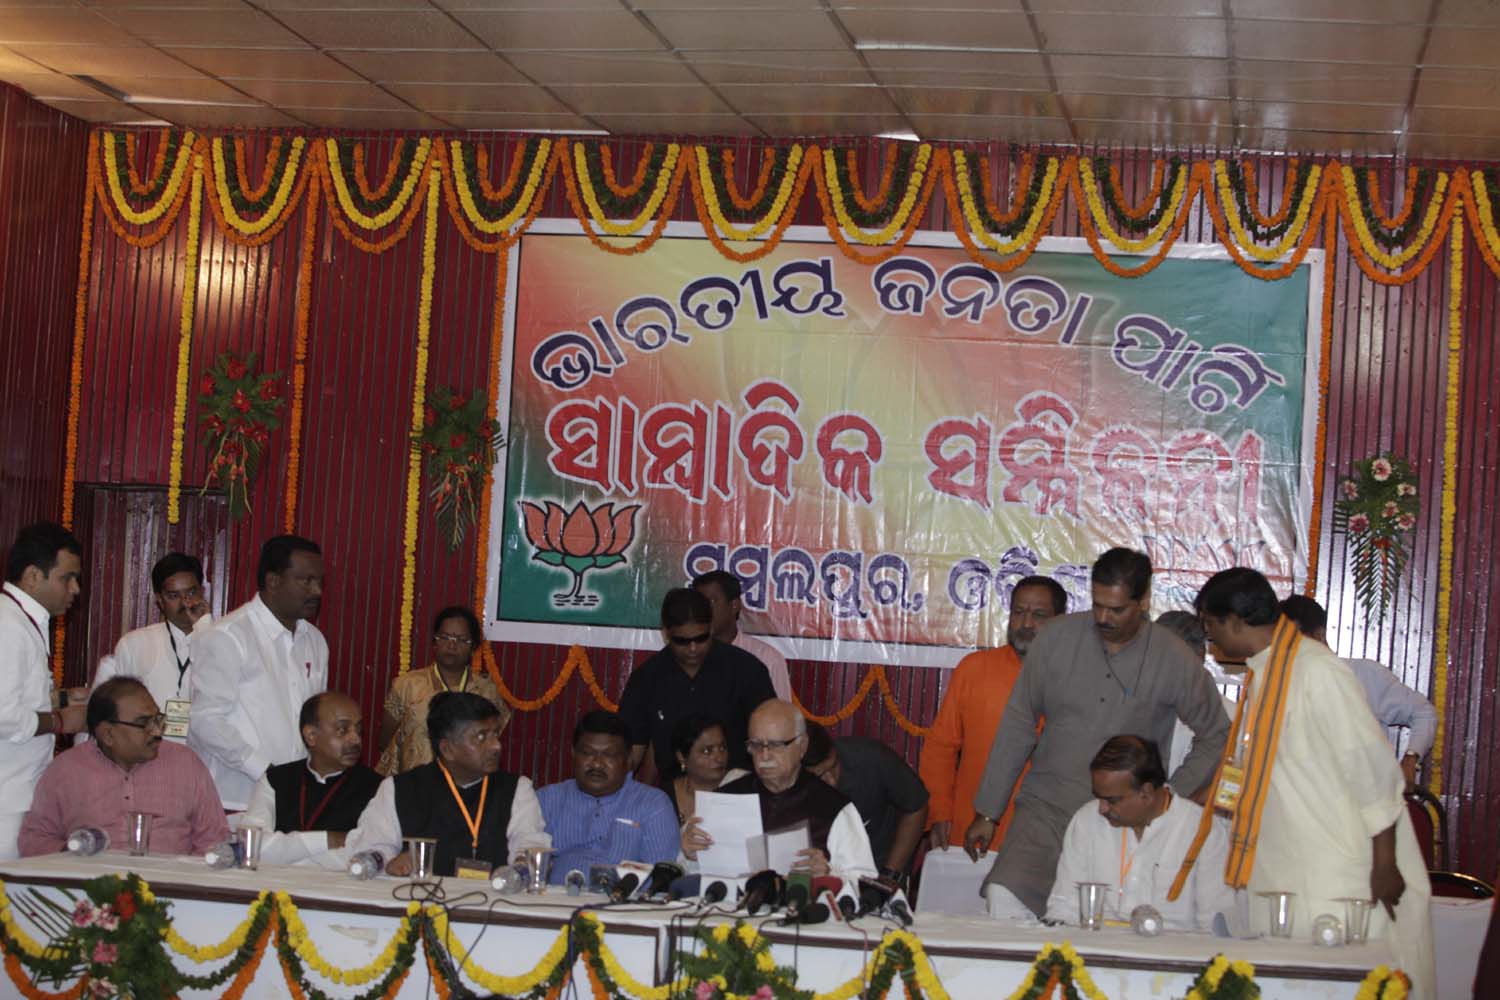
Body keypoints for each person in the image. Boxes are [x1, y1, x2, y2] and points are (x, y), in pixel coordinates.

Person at [1193, 568, 1433, 998]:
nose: (1211, 643)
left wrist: (1384, 864)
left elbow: (1374, 772)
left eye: (1210, 628)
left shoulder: (1317, 671)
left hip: (1341, 874)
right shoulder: (1263, 674)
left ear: (1233, 620)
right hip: (1286, 868)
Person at [964, 548, 1230, 919]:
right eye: (1098, 604)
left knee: (1100, 923)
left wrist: (1164, 800)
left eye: (1117, 609)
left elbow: (1217, 733)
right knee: (1003, 898)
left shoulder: (1174, 657)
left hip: (1118, 821)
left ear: (1144, 601)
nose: (1103, 618)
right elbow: (1019, 722)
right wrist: (988, 812)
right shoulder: (1056, 638)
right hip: (1046, 810)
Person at [919, 575, 1068, 852]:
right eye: (1019, 613)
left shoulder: (1075, 678)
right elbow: (940, 748)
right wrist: (939, 812)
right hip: (971, 833)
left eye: (1038, 615)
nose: (1026, 624)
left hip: (1046, 841)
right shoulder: (974, 669)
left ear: (1061, 621)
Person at [189, 535, 329, 810]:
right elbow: (205, 721)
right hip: (235, 800)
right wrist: (266, 772)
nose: (317, 591)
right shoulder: (229, 637)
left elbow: (316, 718)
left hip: (294, 799)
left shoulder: (315, 641)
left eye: (319, 581)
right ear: (273, 581)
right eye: (306, 580)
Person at [347, 691, 548, 878]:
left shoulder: (517, 789)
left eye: (495, 733)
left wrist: (519, 868)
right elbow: (372, 848)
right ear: (447, 749)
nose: (496, 746)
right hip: (417, 905)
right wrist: (389, 861)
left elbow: (530, 846)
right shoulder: (399, 789)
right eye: (481, 737)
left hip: (494, 904)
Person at [18, 678, 228, 856]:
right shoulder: (66, 770)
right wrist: (74, 853)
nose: (156, 731)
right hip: (90, 893)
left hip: (169, 894)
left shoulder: (185, 764)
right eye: (144, 723)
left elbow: (215, 841)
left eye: (157, 719)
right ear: (108, 734)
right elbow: (34, 840)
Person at [1044, 735, 1234, 931]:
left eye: (1112, 800)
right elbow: (1063, 908)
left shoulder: (1202, 830)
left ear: (1147, 793)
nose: (1101, 808)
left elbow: (1215, 927)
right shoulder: (1087, 820)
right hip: (1097, 954)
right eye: (1099, 797)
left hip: (1171, 956)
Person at [682, 700, 877, 880]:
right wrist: (690, 854)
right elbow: (685, 875)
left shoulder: (834, 808)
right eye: (756, 745)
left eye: (776, 745)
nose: (764, 756)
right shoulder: (725, 799)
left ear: (802, 746)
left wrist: (829, 873)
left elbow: (865, 882)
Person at [1279, 594, 1436, 792]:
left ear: (1319, 635)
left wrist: (1411, 760)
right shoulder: (1280, 686)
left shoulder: (1363, 674)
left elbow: (1424, 713)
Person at [618, 588, 775, 784]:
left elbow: (772, 739)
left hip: (737, 792)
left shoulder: (747, 670)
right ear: (666, 633)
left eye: (701, 638)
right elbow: (630, 752)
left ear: (711, 628)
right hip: (674, 796)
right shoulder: (647, 678)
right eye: (682, 641)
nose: (693, 648)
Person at [0, 522, 88, 859]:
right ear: (33, 576)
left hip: (20, 792)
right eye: (68, 578)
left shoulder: (23, 620)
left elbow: (20, 695)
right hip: (6, 798)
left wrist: (64, 697)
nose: (76, 589)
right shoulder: (9, 625)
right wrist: (63, 721)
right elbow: (5, 717)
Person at [239, 692, 382, 869]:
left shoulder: (378, 788)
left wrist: (286, 855)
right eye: (342, 730)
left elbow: (363, 854)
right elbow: (253, 846)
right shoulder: (276, 780)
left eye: (359, 730)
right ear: (311, 736)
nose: (356, 739)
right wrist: (328, 839)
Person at [537, 711, 679, 882]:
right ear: (573, 754)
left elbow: (659, 877)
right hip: (553, 903)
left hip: (624, 905)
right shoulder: (548, 799)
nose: (596, 763)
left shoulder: (653, 804)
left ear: (628, 760)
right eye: (587, 753)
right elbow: (527, 865)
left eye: (609, 755)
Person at [91, 552, 211, 741]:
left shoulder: (222, 641)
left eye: (191, 592)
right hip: (149, 756)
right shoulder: (135, 644)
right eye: (174, 596)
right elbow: (105, 710)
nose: (185, 603)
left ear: (202, 592)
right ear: (160, 600)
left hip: (206, 758)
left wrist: (207, 631)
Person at [377, 606, 508, 775]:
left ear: (473, 648)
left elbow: (493, 742)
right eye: (445, 637)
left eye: (461, 639)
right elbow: (384, 741)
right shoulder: (408, 684)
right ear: (434, 642)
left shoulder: (486, 690)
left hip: (468, 787)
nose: (452, 645)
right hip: (415, 784)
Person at [804, 721, 928, 884]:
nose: (832, 780)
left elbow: (916, 806)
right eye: (820, 776)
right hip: (820, 875)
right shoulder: (784, 784)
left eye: (834, 766)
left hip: (879, 867)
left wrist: (890, 875)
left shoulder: (871, 758)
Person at [1156, 609, 1242, 778]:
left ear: (1198, 657)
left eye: (1168, 660)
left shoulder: (1231, 717)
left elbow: (1231, 785)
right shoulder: (1134, 705)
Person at [693, 570, 792, 700]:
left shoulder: (767, 658)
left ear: (734, 605)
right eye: (698, 604)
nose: (703, 610)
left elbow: (781, 717)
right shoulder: (689, 655)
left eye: (711, 602)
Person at [668, 715, 747, 825]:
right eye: (707, 751)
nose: (719, 757)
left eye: (722, 748)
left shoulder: (743, 786)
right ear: (681, 756)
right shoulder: (663, 798)